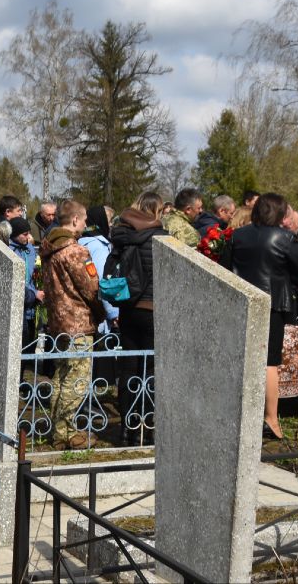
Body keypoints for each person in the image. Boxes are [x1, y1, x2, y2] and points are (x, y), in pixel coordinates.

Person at [222, 193, 298, 440]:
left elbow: (225, 267)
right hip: (273, 304)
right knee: (269, 362)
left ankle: (238, 413)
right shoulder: (285, 238)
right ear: (281, 215)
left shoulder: (238, 235)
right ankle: (271, 419)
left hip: (243, 301)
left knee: (243, 358)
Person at [39, 199, 105, 450]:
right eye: (85, 219)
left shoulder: (49, 248)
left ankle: (59, 430)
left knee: (61, 377)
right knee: (77, 380)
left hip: (58, 322)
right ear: (75, 220)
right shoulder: (76, 251)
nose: (86, 223)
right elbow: (91, 289)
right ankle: (64, 431)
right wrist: (100, 312)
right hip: (78, 323)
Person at [107, 191, 167, 446]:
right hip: (154, 308)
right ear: (158, 211)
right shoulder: (162, 238)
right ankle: (149, 426)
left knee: (129, 367)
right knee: (152, 369)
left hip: (129, 307)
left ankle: (126, 427)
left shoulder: (121, 234)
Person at [78, 205, 118, 335]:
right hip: (99, 315)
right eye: (109, 221)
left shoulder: (81, 241)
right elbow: (103, 280)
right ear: (102, 221)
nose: (111, 225)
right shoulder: (99, 246)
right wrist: (113, 313)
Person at [8, 216, 41, 356]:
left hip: (32, 302)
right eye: (24, 234)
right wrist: (33, 293)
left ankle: (25, 373)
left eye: (29, 233)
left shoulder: (30, 248)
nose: (28, 237)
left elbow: (32, 274)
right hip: (20, 301)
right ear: (15, 234)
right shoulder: (9, 249)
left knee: (29, 344)